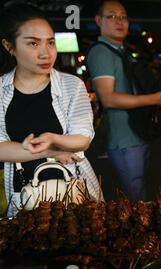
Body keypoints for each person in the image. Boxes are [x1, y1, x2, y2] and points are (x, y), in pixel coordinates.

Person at [0, 3, 102, 216]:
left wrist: (51, 138)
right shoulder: (0, 91)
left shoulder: (71, 85)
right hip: (23, 195)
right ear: (9, 47)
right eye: (33, 44)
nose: (45, 53)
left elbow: (83, 137)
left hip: (74, 188)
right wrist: (49, 150)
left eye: (51, 42)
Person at [86, 0, 161, 201]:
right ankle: (139, 231)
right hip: (123, 138)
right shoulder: (101, 52)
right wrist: (157, 98)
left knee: (141, 187)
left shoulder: (121, 50)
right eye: (112, 16)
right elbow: (108, 99)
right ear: (98, 20)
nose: (119, 21)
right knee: (136, 195)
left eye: (123, 16)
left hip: (136, 134)